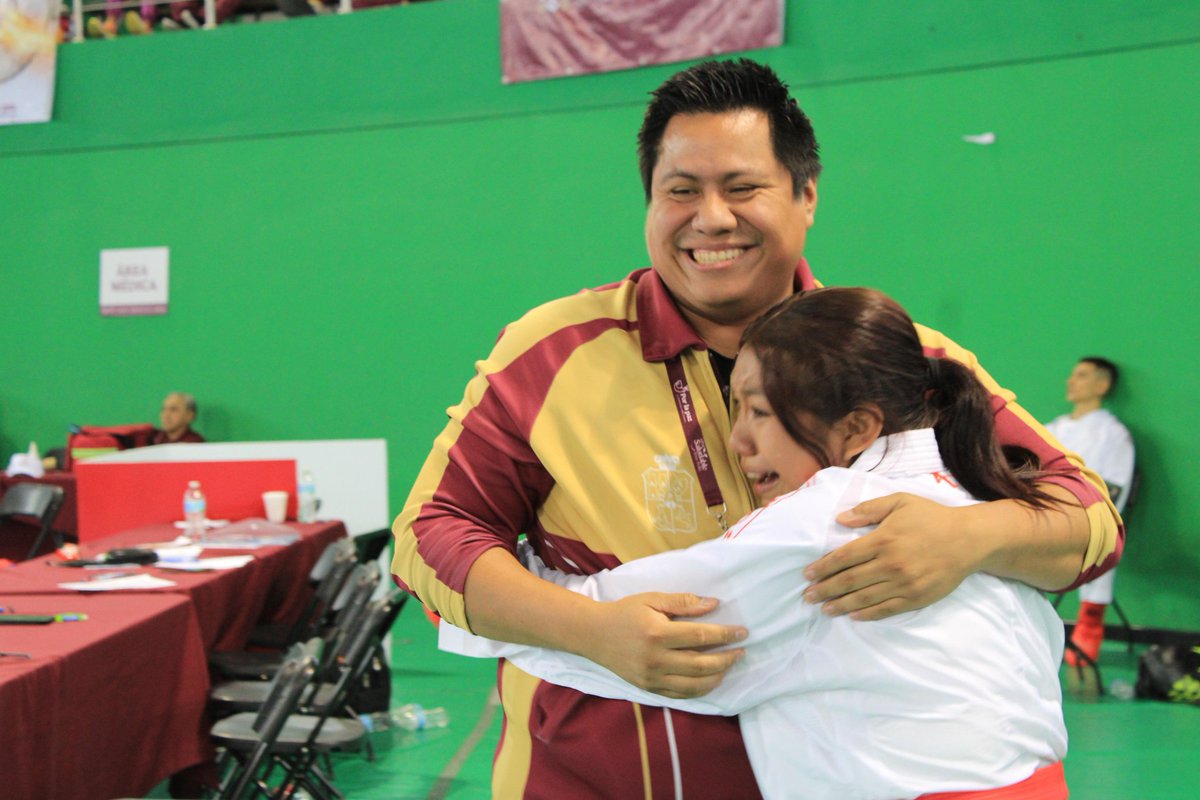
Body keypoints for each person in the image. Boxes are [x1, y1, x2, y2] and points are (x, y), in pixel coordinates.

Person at [391, 58, 1121, 798]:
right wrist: (591, 633)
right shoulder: (549, 355)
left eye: (742, 188)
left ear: (806, 196)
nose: (711, 218)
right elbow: (429, 539)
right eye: (681, 191)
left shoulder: (900, 354)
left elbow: (1089, 521)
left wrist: (969, 539)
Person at [442, 287, 1070, 799]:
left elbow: (636, 623)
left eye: (758, 413)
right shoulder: (986, 496)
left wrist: (510, 594)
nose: (736, 442)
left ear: (855, 428)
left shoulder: (825, 526)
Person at [1046, 357, 1134, 665]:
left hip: (1087, 518)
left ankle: (1090, 623)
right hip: (1040, 514)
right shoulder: (1051, 429)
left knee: (1102, 540)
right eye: (1072, 375)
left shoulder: (1113, 434)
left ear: (1102, 385)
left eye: (1081, 376)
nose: (1071, 381)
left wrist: (1081, 519)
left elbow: (1114, 489)